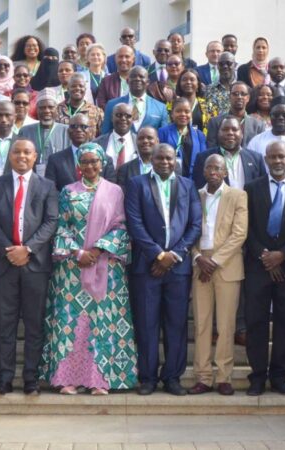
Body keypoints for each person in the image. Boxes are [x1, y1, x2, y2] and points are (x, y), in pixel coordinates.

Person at [40, 142, 138, 395]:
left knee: (102, 322)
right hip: (71, 269)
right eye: (85, 162)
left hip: (106, 267)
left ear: (103, 164)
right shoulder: (68, 192)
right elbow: (60, 226)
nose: (90, 166)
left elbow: (121, 226)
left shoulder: (115, 191)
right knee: (72, 323)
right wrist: (77, 252)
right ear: (78, 167)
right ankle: (67, 378)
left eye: (95, 161)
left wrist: (97, 250)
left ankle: (100, 379)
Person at [0, 138, 59, 395]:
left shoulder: (47, 186)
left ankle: (30, 378)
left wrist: (27, 249)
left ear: (35, 156)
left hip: (34, 265)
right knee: (5, 324)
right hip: (4, 264)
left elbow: (51, 222)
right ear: (10, 156)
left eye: (27, 152)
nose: (22, 156)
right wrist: (9, 250)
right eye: (17, 152)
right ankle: (4, 378)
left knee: (34, 325)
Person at [125, 143, 202, 395]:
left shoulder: (188, 185)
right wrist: (158, 255)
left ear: (175, 159)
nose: (165, 162)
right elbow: (134, 223)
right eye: (160, 158)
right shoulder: (137, 184)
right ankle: (147, 377)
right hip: (146, 266)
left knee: (176, 324)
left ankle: (172, 377)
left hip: (178, 269)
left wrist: (174, 255)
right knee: (146, 323)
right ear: (151, 159)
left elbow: (195, 224)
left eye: (169, 158)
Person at [243, 141, 285, 396]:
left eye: (281, 156)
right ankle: (258, 376)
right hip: (257, 266)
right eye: (272, 157)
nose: (277, 161)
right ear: (266, 159)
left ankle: (281, 376)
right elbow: (245, 226)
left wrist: (282, 254)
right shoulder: (251, 189)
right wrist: (264, 255)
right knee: (256, 321)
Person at [188, 154, 248, 396]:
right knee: (202, 323)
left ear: (225, 173)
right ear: (203, 171)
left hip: (226, 265)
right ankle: (203, 376)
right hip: (199, 263)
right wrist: (198, 258)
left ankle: (224, 376)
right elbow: (187, 229)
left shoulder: (237, 196)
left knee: (225, 324)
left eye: (218, 168)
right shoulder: (195, 195)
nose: (213, 171)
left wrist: (214, 261)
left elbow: (239, 233)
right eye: (209, 167)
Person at [45, 114, 116, 191]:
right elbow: (50, 192)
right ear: (68, 132)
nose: (78, 130)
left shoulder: (105, 159)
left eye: (83, 127)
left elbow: (110, 190)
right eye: (74, 126)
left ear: (91, 131)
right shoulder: (55, 160)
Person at [193, 116, 266, 190]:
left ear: (242, 133)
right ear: (218, 133)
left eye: (234, 129)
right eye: (225, 129)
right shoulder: (204, 158)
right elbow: (198, 189)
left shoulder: (256, 159)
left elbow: (262, 189)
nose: (230, 133)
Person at [18, 90, 70, 176]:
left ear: (56, 109)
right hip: (32, 180)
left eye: (50, 107)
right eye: (42, 107)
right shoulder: (25, 131)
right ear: (37, 110)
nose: (47, 111)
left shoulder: (66, 131)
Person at [102, 67, 168, 135]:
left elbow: (163, 136)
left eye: (141, 77)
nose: (137, 79)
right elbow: (105, 134)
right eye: (133, 76)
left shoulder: (161, 108)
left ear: (148, 82)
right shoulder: (112, 105)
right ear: (127, 81)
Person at [206, 82, 267, 148]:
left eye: (243, 94)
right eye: (235, 94)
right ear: (229, 97)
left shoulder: (258, 125)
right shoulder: (215, 122)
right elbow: (211, 149)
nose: (239, 97)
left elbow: (259, 151)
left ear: (248, 98)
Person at [158, 97, 207, 179]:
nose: (183, 114)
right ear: (172, 114)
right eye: (178, 111)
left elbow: (203, 161)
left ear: (191, 114)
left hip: (193, 181)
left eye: (187, 111)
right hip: (170, 179)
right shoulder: (163, 132)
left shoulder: (199, 135)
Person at [117, 126, 172, 190]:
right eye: (141, 138)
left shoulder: (171, 166)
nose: (145, 141)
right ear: (136, 141)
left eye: (149, 138)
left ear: (157, 141)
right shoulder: (125, 169)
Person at [94, 103, 138, 172]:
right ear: (112, 118)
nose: (123, 118)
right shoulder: (97, 143)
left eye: (128, 116)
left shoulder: (139, 143)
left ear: (133, 119)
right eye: (119, 115)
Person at [172, 69, 213, 134]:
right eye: (184, 79)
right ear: (179, 84)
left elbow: (212, 131)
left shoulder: (208, 107)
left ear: (198, 85)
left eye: (192, 79)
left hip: (201, 142)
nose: (188, 82)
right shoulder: (171, 105)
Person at [96, 46, 135, 110]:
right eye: (120, 57)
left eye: (127, 56)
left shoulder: (139, 81)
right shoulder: (106, 81)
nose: (123, 60)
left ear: (133, 59)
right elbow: (101, 103)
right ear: (115, 59)